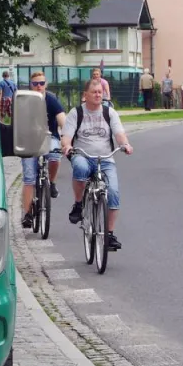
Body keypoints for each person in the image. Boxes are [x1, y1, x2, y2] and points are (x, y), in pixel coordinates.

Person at [61, 77, 133, 250]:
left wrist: (125, 144)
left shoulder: (109, 113)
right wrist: (67, 146)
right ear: (85, 95)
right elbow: (66, 137)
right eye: (94, 92)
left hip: (106, 158)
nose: (97, 95)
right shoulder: (76, 113)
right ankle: (78, 204)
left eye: (100, 92)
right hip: (83, 155)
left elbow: (119, 134)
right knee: (80, 168)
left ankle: (109, 234)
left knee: (113, 192)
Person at [20, 72, 66, 227]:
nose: (38, 86)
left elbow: (62, 120)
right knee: (29, 178)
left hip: (49, 137)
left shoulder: (51, 100)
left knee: (54, 155)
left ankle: (51, 182)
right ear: (31, 86)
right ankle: (26, 214)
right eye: (35, 84)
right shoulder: (25, 101)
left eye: (41, 83)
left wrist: (66, 137)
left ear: (46, 84)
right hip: (29, 140)